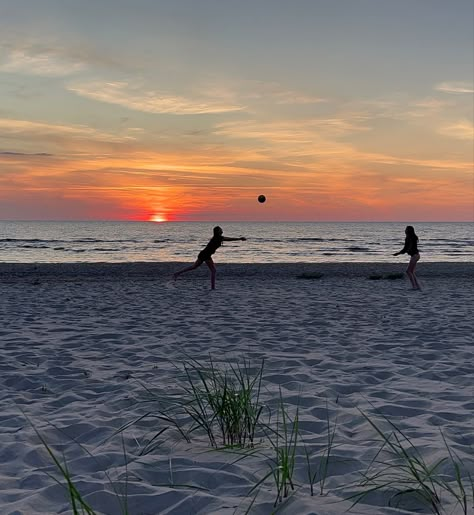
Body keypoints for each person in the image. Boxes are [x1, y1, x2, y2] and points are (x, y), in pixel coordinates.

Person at [173, 226, 246, 289]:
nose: (222, 230)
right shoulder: (218, 238)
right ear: (218, 231)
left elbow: (227, 239)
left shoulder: (218, 237)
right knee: (213, 270)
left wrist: (239, 239)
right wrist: (239, 239)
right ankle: (213, 287)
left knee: (194, 267)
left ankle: (177, 273)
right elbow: (229, 239)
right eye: (220, 229)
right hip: (206, 255)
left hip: (204, 254)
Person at [393, 225, 421, 290]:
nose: (405, 230)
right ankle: (417, 285)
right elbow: (405, 249)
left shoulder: (410, 238)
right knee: (411, 271)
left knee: (408, 271)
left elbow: (406, 249)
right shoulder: (411, 238)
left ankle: (414, 286)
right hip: (416, 255)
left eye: (406, 229)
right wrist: (399, 253)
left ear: (408, 231)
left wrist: (399, 253)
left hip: (415, 256)